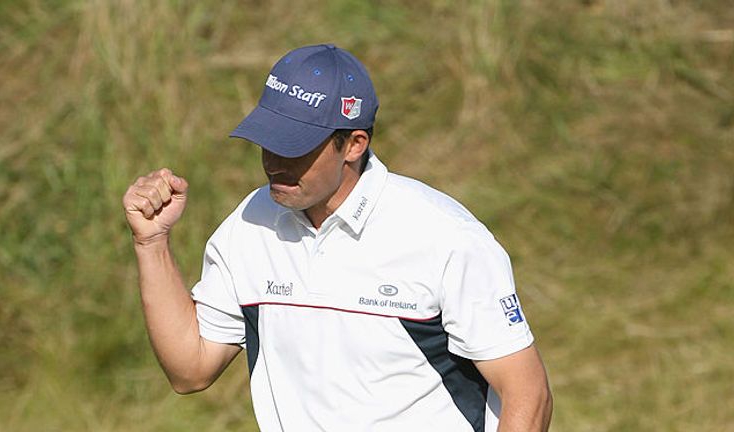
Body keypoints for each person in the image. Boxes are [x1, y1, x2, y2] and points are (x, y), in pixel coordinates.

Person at [122, 44, 552, 431]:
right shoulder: (248, 225)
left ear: (354, 144)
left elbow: (527, 394)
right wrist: (152, 244)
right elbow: (190, 369)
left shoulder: (444, 236)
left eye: (294, 147)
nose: (274, 162)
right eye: (267, 143)